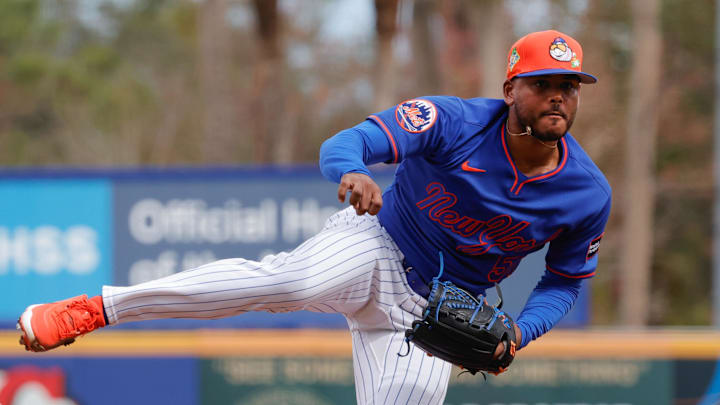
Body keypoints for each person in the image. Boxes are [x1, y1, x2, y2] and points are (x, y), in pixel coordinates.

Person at [18, 29, 610, 405]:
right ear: (511, 88)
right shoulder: (455, 120)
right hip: (376, 245)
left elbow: (564, 281)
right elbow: (344, 143)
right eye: (542, 83)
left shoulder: (585, 193)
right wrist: (352, 173)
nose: (558, 95)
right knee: (287, 281)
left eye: (569, 86)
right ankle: (96, 308)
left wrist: (518, 333)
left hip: (435, 313)